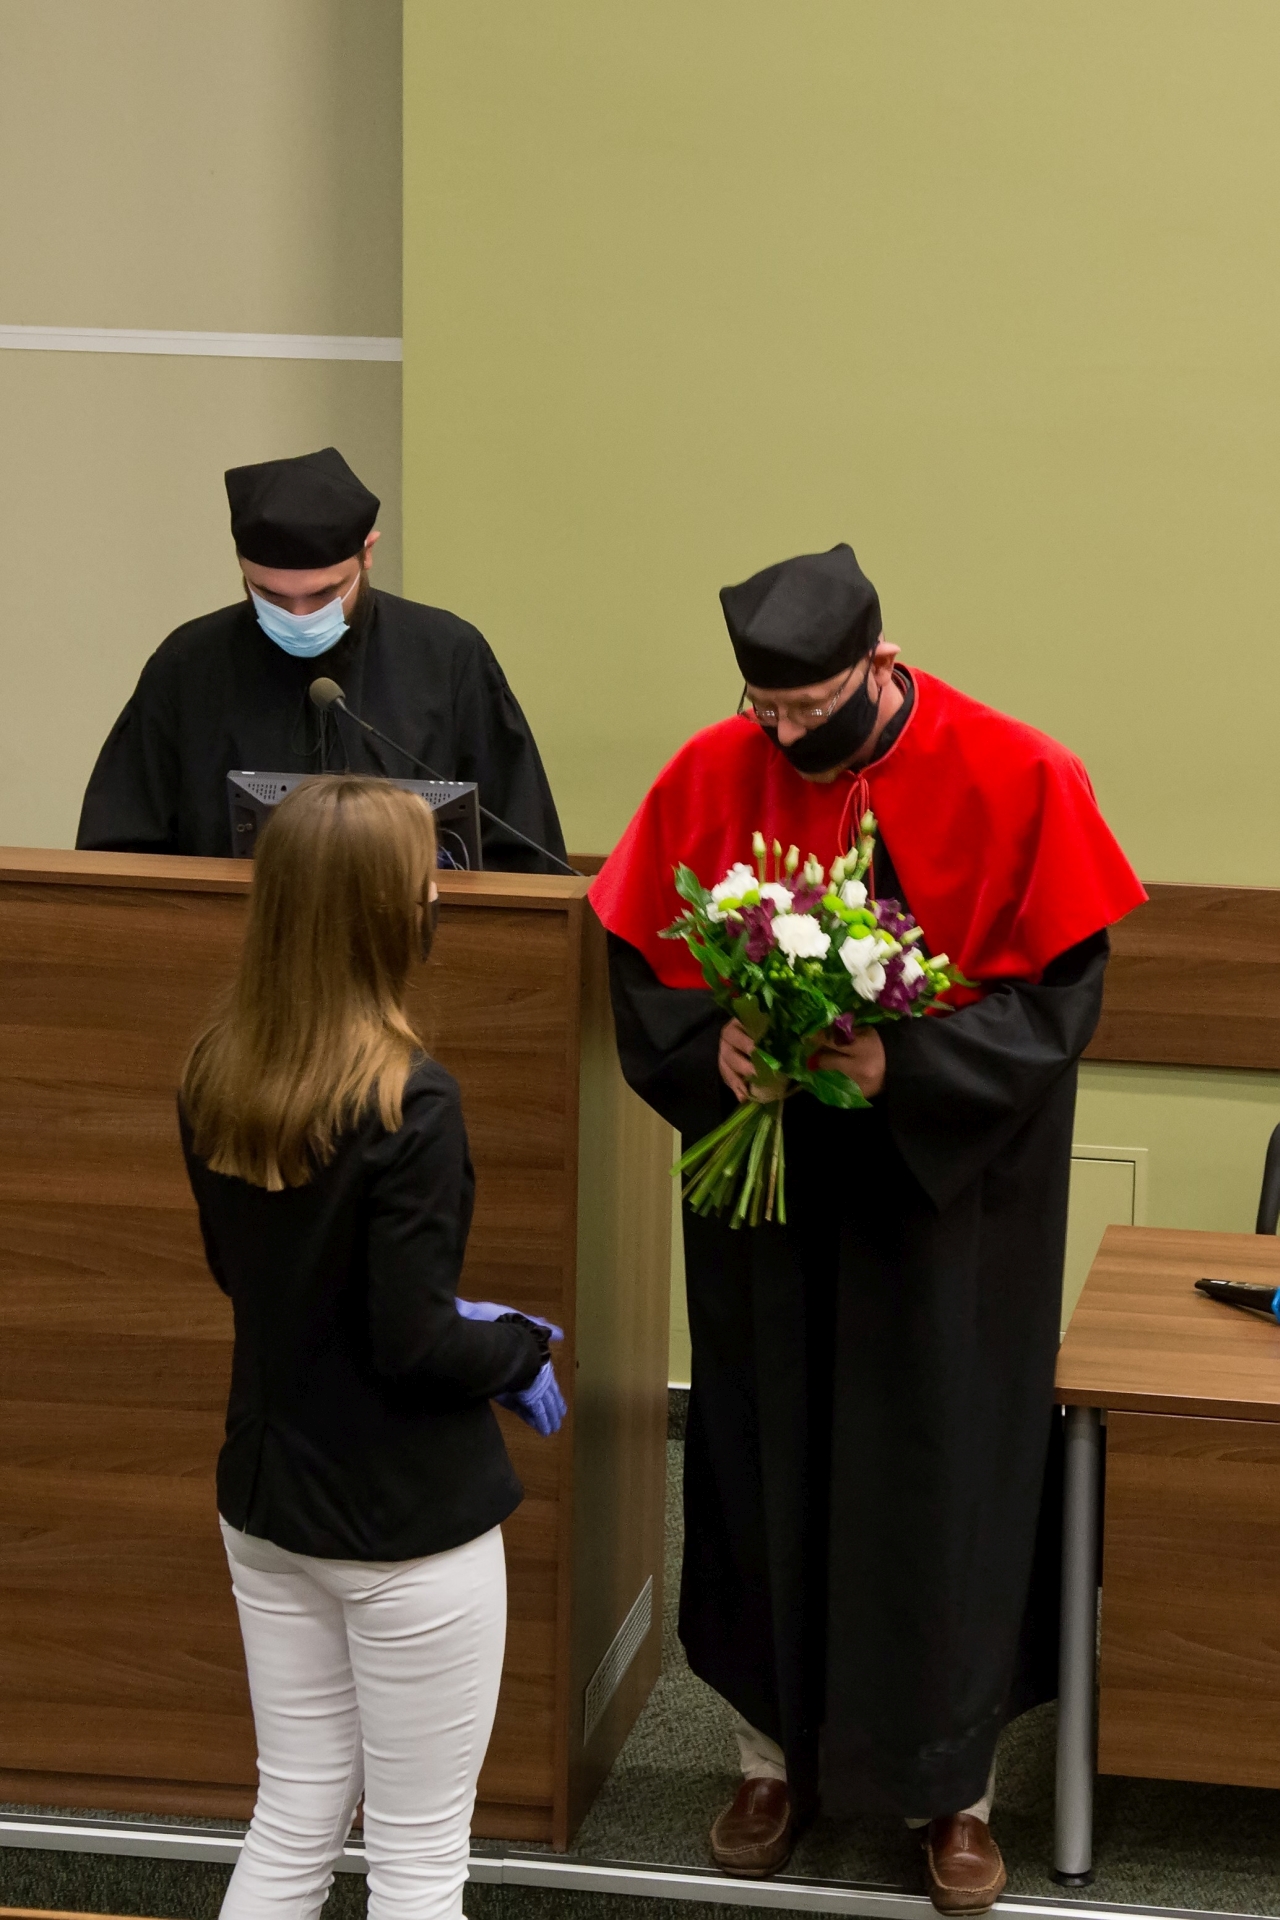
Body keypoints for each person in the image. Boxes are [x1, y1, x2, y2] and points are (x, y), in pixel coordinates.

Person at [589, 544, 1145, 1913]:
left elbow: (1059, 1002)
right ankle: (766, 1761)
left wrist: (911, 1064)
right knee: (761, 1454)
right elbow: (641, 959)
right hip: (773, 1201)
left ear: (881, 665)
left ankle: (954, 1794)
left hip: (947, 1209)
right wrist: (712, 1045)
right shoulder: (710, 773)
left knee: (942, 1474)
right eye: (765, 712)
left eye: (812, 710)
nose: (786, 740)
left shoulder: (1018, 773)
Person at [179, 774, 566, 1920]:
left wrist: (446, 1315)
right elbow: (409, 1344)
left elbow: (251, 1275)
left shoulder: (214, 1070)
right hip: (401, 1522)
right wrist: (514, 1353)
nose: (436, 896)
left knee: (293, 1812)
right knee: (417, 1861)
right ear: (385, 913)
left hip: (266, 1502)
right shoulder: (411, 1101)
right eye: (424, 879)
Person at [79, 447, 567, 871]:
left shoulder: (448, 655)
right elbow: (122, 849)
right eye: (270, 594)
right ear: (242, 567)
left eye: (323, 594)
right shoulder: (188, 664)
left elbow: (520, 844)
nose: (299, 614)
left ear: (367, 553)